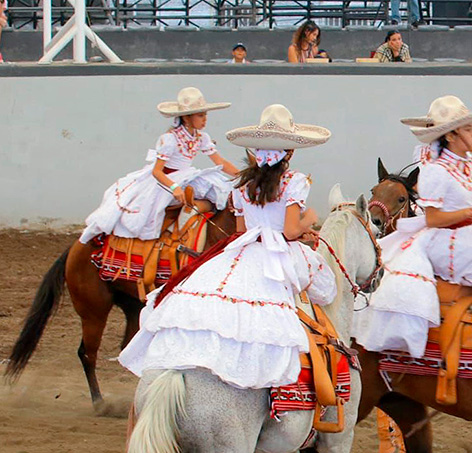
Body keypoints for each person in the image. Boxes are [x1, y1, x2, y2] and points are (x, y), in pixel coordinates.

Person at [118, 104, 337, 389]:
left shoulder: (244, 184)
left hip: (246, 248)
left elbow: (240, 231)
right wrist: (310, 219)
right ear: (291, 152)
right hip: (277, 251)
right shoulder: (294, 181)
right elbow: (289, 231)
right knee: (319, 285)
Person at [355, 95, 472, 358]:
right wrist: (469, 212)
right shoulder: (436, 171)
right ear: (452, 136)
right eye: (468, 129)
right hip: (446, 238)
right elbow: (433, 218)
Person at [79, 87, 239, 245]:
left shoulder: (202, 137)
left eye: (205, 115)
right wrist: (174, 187)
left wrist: (242, 175)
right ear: (186, 118)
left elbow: (220, 162)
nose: (205, 119)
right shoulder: (169, 139)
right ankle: (176, 238)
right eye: (200, 115)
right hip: (166, 180)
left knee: (222, 192)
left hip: (187, 176)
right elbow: (157, 171)